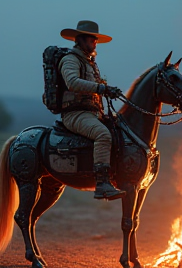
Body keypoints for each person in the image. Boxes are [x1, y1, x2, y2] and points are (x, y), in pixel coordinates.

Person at [59, 20, 125, 201]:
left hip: (92, 113)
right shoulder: (70, 60)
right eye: (91, 39)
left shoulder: (90, 63)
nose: (95, 43)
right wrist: (102, 88)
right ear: (80, 40)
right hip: (75, 114)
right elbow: (72, 82)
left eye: (95, 40)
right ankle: (102, 183)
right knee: (103, 135)